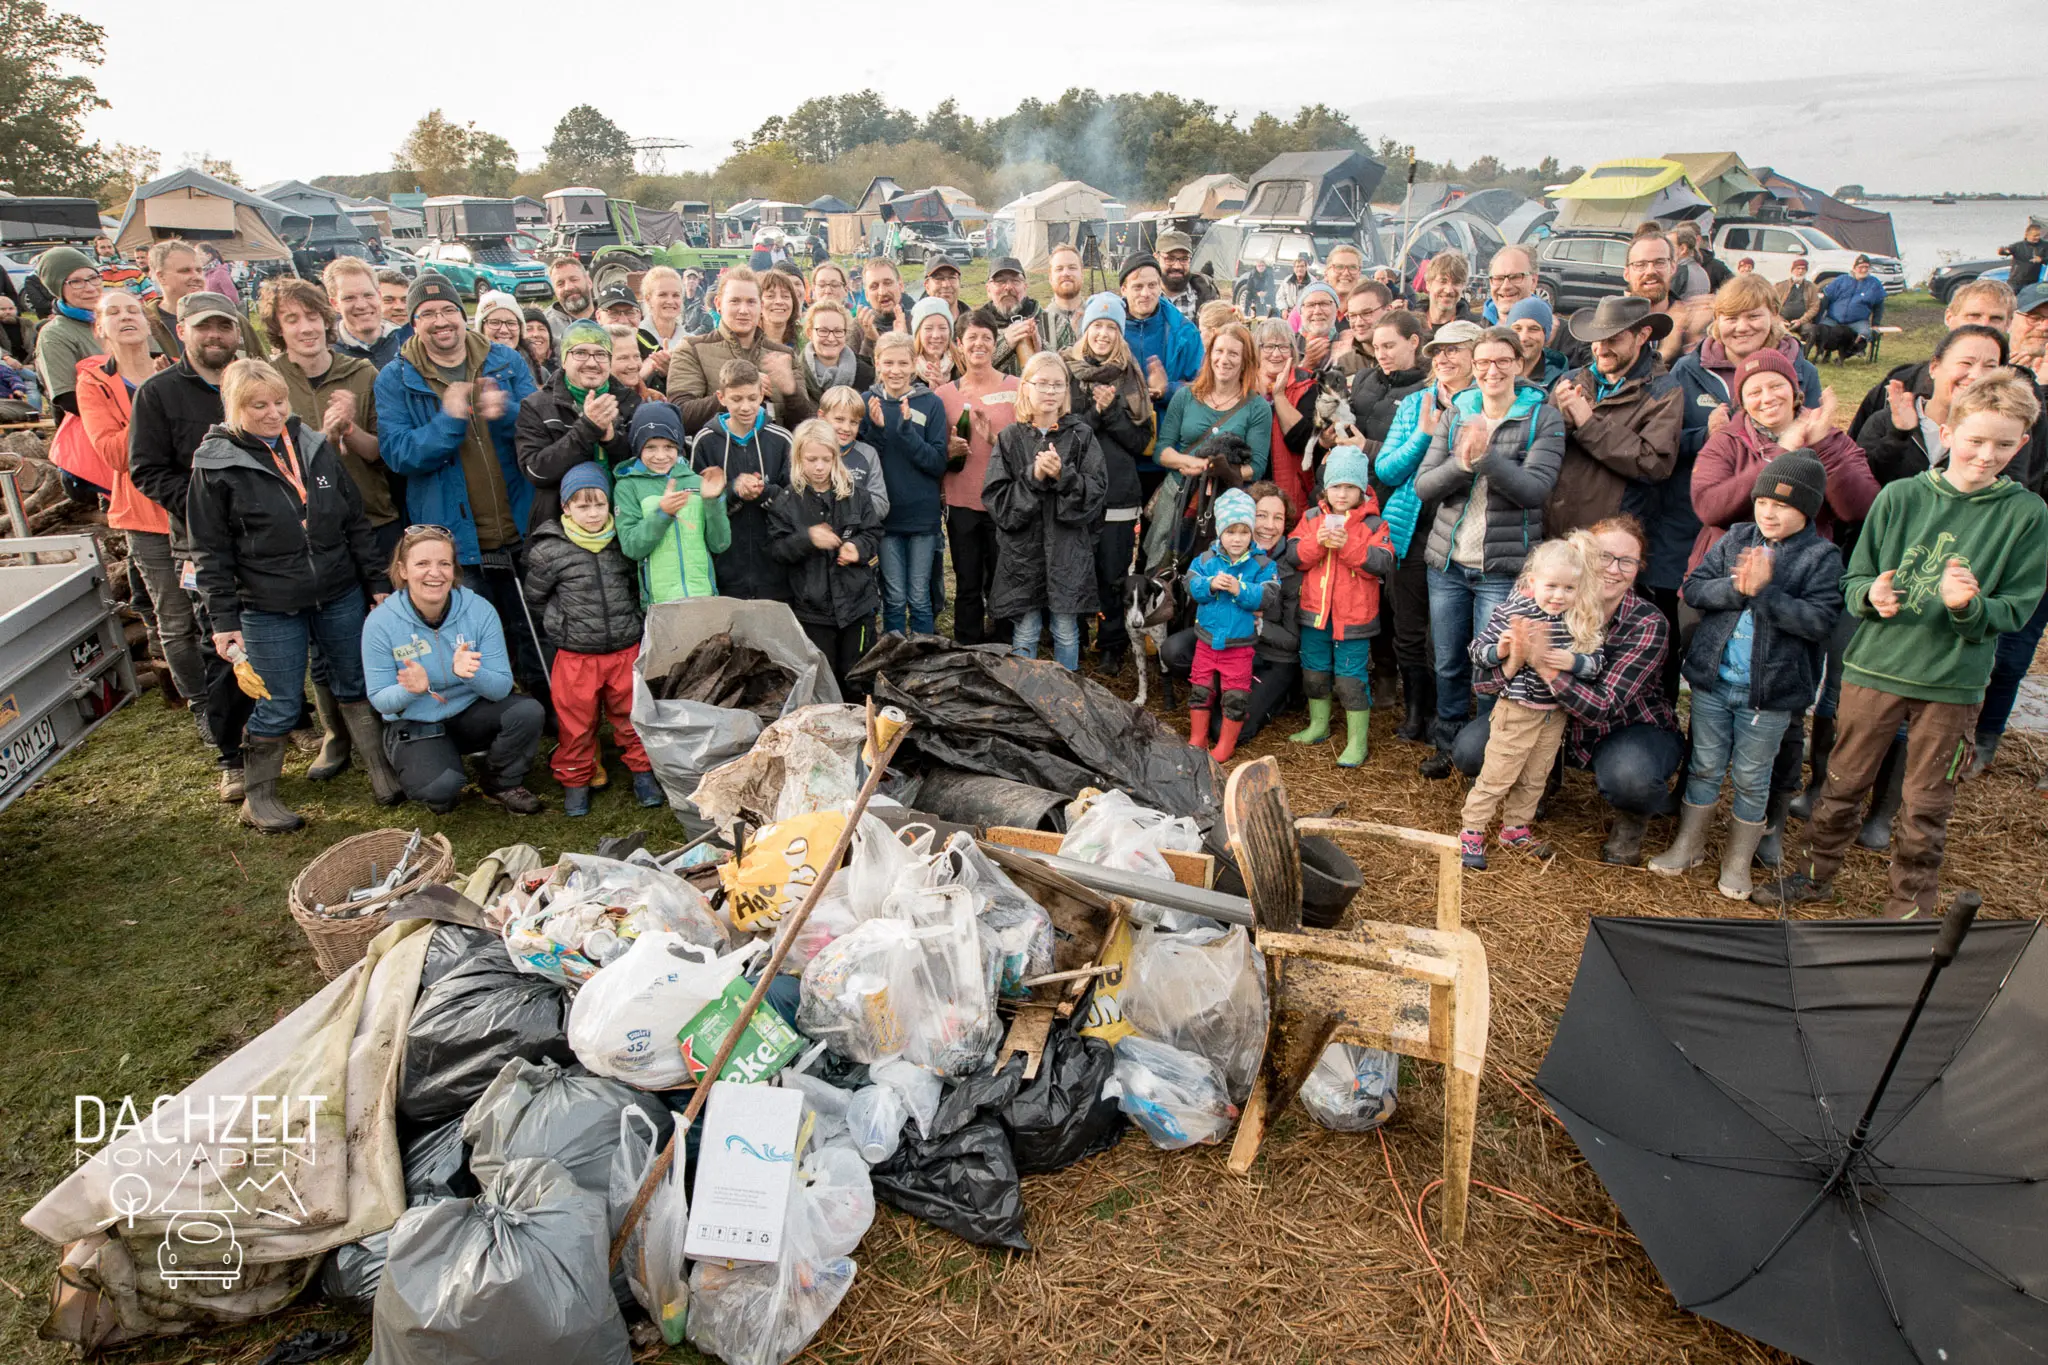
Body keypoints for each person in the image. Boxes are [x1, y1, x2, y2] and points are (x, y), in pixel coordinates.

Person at [1758, 371, 2048, 918]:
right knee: (1841, 781)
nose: (1987, 455)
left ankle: (1911, 899)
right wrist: (1874, 596)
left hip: (1952, 680)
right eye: (1976, 440)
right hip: (1876, 668)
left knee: (1927, 800)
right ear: (1948, 430)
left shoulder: (2026, 514)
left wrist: (1970, 608)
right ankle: (1815, 874)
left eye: (2004, 445)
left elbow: (2018, 607)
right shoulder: (1900, 497)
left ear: (2023, 444)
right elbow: (1855, 579)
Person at [187, 358, 397, 831]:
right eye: (257, 405)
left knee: (354, 682)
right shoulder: (215, 466)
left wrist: (377, 583)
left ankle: (380, 768)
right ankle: (258, 798)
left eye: (279, 401)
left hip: (338, 590)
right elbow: (210, 551)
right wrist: (223, 620)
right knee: (278, 699)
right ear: (233, 407)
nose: (272, 412)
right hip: (267, 604)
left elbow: (354, 522)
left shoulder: (313, 446)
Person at [1653, 451, 1845, 897]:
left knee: (1752, 776)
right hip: (1714, 681)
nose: (1769, 512)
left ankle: (1737, 860)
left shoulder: (1821, 557)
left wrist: (1765, 595)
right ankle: (1689, 844)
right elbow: (1696, 587)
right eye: (1763, 502)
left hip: (1769, 694)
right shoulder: (1736, 538)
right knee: (1703, 766)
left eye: (1783, 505)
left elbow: (1818, 621)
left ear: (1809, 509)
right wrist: (1736, 588)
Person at [1447, 515, 1683, 864]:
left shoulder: (1646, 622)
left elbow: (1601, 701)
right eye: (1603, 556)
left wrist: (1548, 664)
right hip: (1538, 714)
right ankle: (1478, 828)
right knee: (1474, 754)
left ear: (1639, 569)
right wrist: (1510, 660)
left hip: (1620, 726)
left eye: (1626, 561)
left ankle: (1627, 821)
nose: (1612, 569)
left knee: (1630, 776)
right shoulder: (1533, 600)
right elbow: (1484, 677)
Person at [372, 272, 543, 692]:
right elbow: (398, 454)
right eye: (427, 313)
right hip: (456, 538)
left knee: (535, 629)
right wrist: (449, 418)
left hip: (520, 523)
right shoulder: (395, 378)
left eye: (449, 309)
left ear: (464, 315)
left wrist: (505, 410)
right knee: (473, 637)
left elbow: (540, 425)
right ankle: (491, 716)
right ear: (414, 322)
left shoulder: (505, 360)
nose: (441, 320)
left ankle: (548, 711)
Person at [1413, 325, 1566, 777]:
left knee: (1491, 665)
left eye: (1502, 361)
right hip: (1448, 562)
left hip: (1502, 568)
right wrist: (1461, 462)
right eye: (1482, 362)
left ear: (1520, 364)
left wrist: (1486, 458)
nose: (1491, 370)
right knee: (1447, 659)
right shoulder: (1457, 411)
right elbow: (1425, 485)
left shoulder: (1542, 416)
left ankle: (1484, 754)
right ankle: (1448, 742)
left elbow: (1535, 490)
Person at [128, 291, 259, 794]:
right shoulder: (159, 393)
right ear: (181, 329)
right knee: (220, 642)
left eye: (224, 327)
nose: (215, 336)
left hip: (263, 540)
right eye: (204, 327)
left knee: (270, 633)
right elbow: (147, 471)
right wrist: (208, 503)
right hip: (201, 545)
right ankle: (232, 756)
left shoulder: (253, 384)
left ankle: (287, 722)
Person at [78, 290, 207, 709]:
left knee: (216, 609)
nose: (125, 317)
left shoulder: (176, 370)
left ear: (149, 322)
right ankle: (203, 705)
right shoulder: (95, 383)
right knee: (175, 617)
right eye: (113, 312)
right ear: (100, 328)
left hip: (193, 508)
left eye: (133, 309)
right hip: (145, 517)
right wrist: (152, 405)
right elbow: (115, 454)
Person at [362, 525, 546, 815]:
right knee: (440, 791)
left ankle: (501, 781)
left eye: (443, 564)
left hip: (472, 711)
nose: (434, 573)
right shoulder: (380, 623)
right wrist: (409, 689)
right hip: (417, 721)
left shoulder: (478, 609)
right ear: (403, 570)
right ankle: (433, 768)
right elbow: (380, 698)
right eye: (422, 563)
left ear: (454, 569)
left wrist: (471, 674)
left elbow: (500, 686)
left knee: (528, 712)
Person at [1457, 534, 1606, 869]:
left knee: (1536, 775)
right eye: (1551, 586)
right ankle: (1472, 829)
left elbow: (1596, 663)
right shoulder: (1513, 612)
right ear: (1533, 581)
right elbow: (1477, 652)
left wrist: (1569, 661)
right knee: (1498, 773)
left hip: (1554, 714)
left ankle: (1514, 827)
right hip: (1516, 711)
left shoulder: (1578, 618)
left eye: (1569, 589)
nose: (1559, 596)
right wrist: (1504, 650)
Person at [522, 462, 661, 815]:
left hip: (623, 647)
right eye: (583, 506)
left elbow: (636, 586)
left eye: (599, 504)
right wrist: (562, 625)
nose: (593, 513)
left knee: (631, 716)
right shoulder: (549, 549)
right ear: (566, 507)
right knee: (576, 724)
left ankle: (643, 772)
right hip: (576, 655)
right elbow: (535, 597)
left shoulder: (622, 542)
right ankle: (575, 779)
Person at [1372, 313, 1470, 742]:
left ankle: (1444, 714)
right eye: (1439, 352)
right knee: (1409, 628)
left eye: (1455, 351)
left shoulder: (1486, 404)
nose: (1445, 359)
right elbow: (1387, 469)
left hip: (1459, 531)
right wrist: (1423, 437)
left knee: (1446, 635)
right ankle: (1414, 713)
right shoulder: (1417, 404)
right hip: (1411, 527)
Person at [985, 351, 1109, 670]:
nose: (1050, 391)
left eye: (1058, 384)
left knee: (1065, 632)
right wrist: (1034, 477)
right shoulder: (1011, 438)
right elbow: (998, 500)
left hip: (1068, 551)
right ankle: (1025, 695)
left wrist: (1063, 476)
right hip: (1022, 555)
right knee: (1025, 631)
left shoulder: (1081, 435)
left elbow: (1096, 490)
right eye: (1043, 384)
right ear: (1026, 387)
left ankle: (1065, 702)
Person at [261, 277, 397, 561]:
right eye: (292, 319)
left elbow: (382, 454)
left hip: (374, 521)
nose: (306, 328)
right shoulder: (266, 380)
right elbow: (266, 462)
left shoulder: (363, 373)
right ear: (278, 329)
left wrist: (348, 428)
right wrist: (323, 436)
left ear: (326, 319)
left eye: (313, 317)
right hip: (305, 530)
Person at [1287, 446, 1397, 767]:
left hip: (1354, 619)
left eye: (1351, 487)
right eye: (1337, 486)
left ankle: (1357, 741)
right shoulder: (1310, 519)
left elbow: (1382, 562)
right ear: (1326, 488)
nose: (1343, 493)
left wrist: (1348, 545)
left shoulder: (1375, 524)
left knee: (1351, 678)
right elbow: (1294, 556)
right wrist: (1316, 543)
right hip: (1315, 615)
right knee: (1314, 672)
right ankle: (1318, 725)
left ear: (1362, 489)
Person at [1062, 294, 1153, 669]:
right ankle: (1076, 636)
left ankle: (1112, 642)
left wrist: (1114, 409)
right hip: (1076, 491)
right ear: (1086, 330)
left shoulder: (1131, 375)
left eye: (1111, 327)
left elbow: (1139, 441)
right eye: (1097, 326)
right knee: (1076, 567)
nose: (1103, 333)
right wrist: (1096, 412)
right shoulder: (1067, 371)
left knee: (1113, 572)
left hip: (1118, 493)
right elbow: (1066, 435)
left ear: (1120, 333)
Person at [1547, 295, 1682, 537]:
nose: (1600, 349)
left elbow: (1654, 464)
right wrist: (1561, 419)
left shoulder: (1664, 392)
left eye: (1613, 339)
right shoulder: (1570, 379)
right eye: (1596, 340)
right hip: (1552, 530)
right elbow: (1541, 448)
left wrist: (1588, 423)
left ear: (1642, 336)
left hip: (1609, 538)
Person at [768, 419, 884, 693]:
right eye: (811, 459)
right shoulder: (786, 502)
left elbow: (873, 533)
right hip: (813, 611)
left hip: (857, 605)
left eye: (826, 458)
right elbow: (777, 549)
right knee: (823, 678)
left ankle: (861, 727)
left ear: (835, 457)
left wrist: (857, 548)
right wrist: (808, 539)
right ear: (798, 459)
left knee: (858, 675)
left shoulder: (856, 494)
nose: (819, 467)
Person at [934, 310, 1019, 647]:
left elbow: (1028, 448)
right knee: (968, 580)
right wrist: (949, 451)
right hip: (962, 501)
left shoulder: (1016, 389)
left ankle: (1002, 646)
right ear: (959, 345)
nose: (979, 344)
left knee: (1002, 579)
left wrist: (997, 439)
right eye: (972, 338)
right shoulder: (944, 395)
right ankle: (966, 646)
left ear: (995, 342)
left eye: (986, 337)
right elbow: (935, 452)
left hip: (1003, 503)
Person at [1845, 279, 2016, 439]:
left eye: (1996, 318)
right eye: (1973, 316)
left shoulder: (2020, 391)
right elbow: (1855, 453)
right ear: (1949, 317)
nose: (1983, 325)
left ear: (2008, 324)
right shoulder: (1903, 381)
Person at [861, 332, 949, 635]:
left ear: (914, 365)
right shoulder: (867, 403)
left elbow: (937, 463)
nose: (895, 370)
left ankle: (925, 660)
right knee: (895, 598)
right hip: (886, 518)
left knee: (919, 597)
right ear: (877, 363)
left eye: (902, 363)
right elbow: (866, 459)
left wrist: (906, 431)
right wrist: (878, 430)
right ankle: (895, 657)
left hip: (922, 518)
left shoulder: (930, 404)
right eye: (888, 362)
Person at [1183, 487, 1280, 762]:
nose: (1236, 539)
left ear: (1251, 533)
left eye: (1243, 532)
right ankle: (1198, 737)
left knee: (1235, 696)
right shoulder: (1205, 560)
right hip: (1207, 639)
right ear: (1219, 533)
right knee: (1200, 688)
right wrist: (1210, 584)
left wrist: (1241, 589)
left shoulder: (1262, 565)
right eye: (1230, 532)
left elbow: (1269, 595)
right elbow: (1189, 584)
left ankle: (1226, 745)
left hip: (1239, 645)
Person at [516, 317, 638, 529]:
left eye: (601, 354)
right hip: (560, 532)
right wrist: (587, 430)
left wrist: (612, 440)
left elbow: (647, 465)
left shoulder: (630, 402)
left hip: (625, 528)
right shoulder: (537, 406)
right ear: (564, 359)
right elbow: (536, 471)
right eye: (580, 353)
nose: (592, 362)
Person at [691, 357, 793, 601]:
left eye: (752, 398)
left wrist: (765, 491)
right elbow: (695, 501)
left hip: (773, 564)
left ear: (762, 395)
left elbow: (796, 498)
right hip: (725, 563)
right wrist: (733, 489)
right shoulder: (705, 441)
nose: (745, 407)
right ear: (721, 397)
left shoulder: (782, 439)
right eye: (736, 399)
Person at [1855, 324, 2009, 485]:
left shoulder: (2004, 434)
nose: (1977, 375)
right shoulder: (1884, 421)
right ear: (1934, 367)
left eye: (1991, 366)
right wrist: (1898, 435)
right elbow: (1860, 485)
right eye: (1966, 363)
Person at [666, 267, 812, 432]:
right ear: (719, 304)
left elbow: (806, 426)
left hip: (773, 455)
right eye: (735, 301)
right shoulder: (692, 349)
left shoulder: (784, 355)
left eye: (751, 302)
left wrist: (791, 392)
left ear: (761, 305)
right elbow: (679, 416)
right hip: (717, 455)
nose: (743, 310)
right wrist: (738, 388)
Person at [615, 401, 730, 604]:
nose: (660, 456)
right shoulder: (628, 487)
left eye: (669, 447)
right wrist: (663, 514)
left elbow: (719, 544)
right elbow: (632, 548)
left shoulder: (696, 481)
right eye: (650, 447)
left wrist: (713, 501)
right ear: (637, 447)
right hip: (660, 604)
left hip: (703, 597)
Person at [1158, 322, 1272, 481]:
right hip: (1181, 495)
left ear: (1245, 361)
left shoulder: (1258, 407)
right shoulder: (1185, 396)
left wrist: (1213, 471)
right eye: (1219, 351)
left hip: (1227, 500)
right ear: (1209, 354)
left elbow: (1256, 468)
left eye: (1233, 354)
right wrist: (1193, 463)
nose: (1223, 360)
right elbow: (1162, 451)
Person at [144, 240, 265, 364]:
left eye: (199, 270)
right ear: (161, 277)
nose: (196, 277)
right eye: (185, 271)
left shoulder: (232, 318)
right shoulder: (145, 325)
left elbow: (262, 369)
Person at [1119, 253, 1204, 426]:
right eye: (1137, 287)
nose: (1146, 293)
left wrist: (1167, 390)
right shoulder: (1108, 329)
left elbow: (1204, 387)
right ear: (1124, 289)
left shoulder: (1185, 333)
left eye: (1152, 285)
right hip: (1118, 435)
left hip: (1170, 435)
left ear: (1160, 287)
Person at [1255, 317, 1325, 514]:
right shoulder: (1243, 386)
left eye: (1283, 347)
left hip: (1292, 490)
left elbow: (1303, 442)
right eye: (1268, 346)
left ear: (1293, 352)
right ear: (1256, 351)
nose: (1276, 354)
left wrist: (1278, 395)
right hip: (1248, 488)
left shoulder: (1308, 387)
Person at [32, 246, 103, 419]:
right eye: (76, 282)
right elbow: (68, 399)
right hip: (95, 430)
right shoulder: (55, 335)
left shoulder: (120, 319)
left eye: (93, 278)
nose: (90, 288)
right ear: (58, 289)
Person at [1620, 231, 1708, 366]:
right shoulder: (1611, 324)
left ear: (1673, 268)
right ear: (1627, 273)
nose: (1650, 271)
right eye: (1640, 265)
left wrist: (1692, 340)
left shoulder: (1691, 323)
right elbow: (1611, 378)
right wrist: (1667, 351)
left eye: (1659, 262)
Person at [817, 385, 891, 523]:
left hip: (857, 538)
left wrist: (845, 508)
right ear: (822, 416)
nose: (846, 428)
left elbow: (881, 505)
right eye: (839, 419)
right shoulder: (807, 451)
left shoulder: (868, 454)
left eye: (854, 422)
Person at [324, 258, 404, 371]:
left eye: (368, 295)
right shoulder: (326, 355)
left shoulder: (407, 342)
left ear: (379, 296)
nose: (361, 305)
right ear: (335, 304)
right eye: (349, 298)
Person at [800, 300, 874, 404]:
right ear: (809, 333)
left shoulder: (866, 375)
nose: (831, 338)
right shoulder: (795, 373)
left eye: (838, 331)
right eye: (823, 331)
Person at [982, 256, 1040, 375]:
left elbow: (1067, 372)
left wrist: (1040, 347)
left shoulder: (1055, 322)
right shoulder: (975, 327)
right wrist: (1005, 344)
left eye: (1015, 281)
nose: (1008, 287)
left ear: (1025, 287)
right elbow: (968, 370)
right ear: (988, 289)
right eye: (1000, 281)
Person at [1819, 255, 1888, 350]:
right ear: (1854, 268)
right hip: (1833, 319)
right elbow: (1826, 299)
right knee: (1820, 331)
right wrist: (1818, 319)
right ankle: (1825, 352)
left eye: (1866, 267)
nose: (1863, 270)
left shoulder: (1874, 284)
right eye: (1861, 267)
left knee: (1865, 335)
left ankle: (1850, 352)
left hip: (1858, 321)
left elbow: (1879, 306)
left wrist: (1875, 324)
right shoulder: (1841, 280)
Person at [1034, 244, 1089, 357]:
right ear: (1050, 278)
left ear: (1082, 275)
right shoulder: (1039, 323)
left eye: (1072, 268)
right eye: (1059, 269)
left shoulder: (1096, 319)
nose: (1066, 273)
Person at [1332, 280, 1394, 379]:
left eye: (1366, 313)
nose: (1358, 323)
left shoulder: (1409, 355)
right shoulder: (1345, 364)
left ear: (1388, 311)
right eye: (1352, 316)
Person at [1157, 230, 1218, 322]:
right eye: (1169, 259)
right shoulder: (1145, 297)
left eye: (1184, 259)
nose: (1177, 266)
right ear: (1156, 258)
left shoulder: (1206, 295)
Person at [1506, 298, 1565, 386]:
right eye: (1517, 329)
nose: (1523, 337)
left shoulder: (1559, 381)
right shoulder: (1491, 374)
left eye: (1533, 329)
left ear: (1546, 335)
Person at [1480, 245, 1541, 327]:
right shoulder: (1473, 334)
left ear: (1533, 281)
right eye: (1498, 278)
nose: (1505, 286)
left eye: (1515, 277)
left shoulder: (1559, 334)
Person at [1420, 251, 1479, 337]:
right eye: (1443, 281)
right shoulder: (1410, 326)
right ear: (1428, 284)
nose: (1449, 290)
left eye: (1456, 282)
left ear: (1463, 286)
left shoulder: (1474, 328)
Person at [858, 258, 909, 353]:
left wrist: (905, 340)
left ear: (901, 285)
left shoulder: (917, 322)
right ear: (867, 295)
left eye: (888, 283)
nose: (882, 292)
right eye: (874, 286)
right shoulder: (857, 328)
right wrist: (871, 341)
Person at [544, 255, 596, 341]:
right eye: (560, 284)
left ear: (589, 282)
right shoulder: (545, 327)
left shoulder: (613, 316)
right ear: (554, 291)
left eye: (574, 279)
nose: (568, 287)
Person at [1293, 283, 1343, 372]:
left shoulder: (1348, 346)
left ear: (1337, 310)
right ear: (1301, 311)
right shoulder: (1287, 345)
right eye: (1310, 305)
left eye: (1324, 304)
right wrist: (1305, 365)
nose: (1317, 311)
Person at [910, 295, 957, 388]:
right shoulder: (906, 369)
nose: (936, 335)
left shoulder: (963, 365)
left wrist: (945, 391)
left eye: (942, 328)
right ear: (918, 333)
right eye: (928, 328)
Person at [757, 268, 802, 350]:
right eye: (770, 296)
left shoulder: (803, 343)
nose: (779, 302)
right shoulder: (747, 343)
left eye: (785, 296)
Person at [1775, 257, 1821, 331]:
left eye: (1803, 269)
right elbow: (1771, 305)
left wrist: (1801, 321)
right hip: (1781, 320)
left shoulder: (1811, 287)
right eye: (1798, 268)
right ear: (1792, 270)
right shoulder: (1780, 286)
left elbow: (1814, 307)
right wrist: (1779, 319)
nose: (1800, 271)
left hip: (1802, 321)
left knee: (1810, 330)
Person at [1998, 218, 2045, 291]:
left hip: (2032, 281)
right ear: (2027, 235)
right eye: (2035, 236)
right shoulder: (2018, 246)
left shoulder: (2043, 245)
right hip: (2016, 281)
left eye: (2039, 235)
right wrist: (2003, 251)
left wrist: (2042, 259)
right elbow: (2005, 251)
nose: (2037, 238)